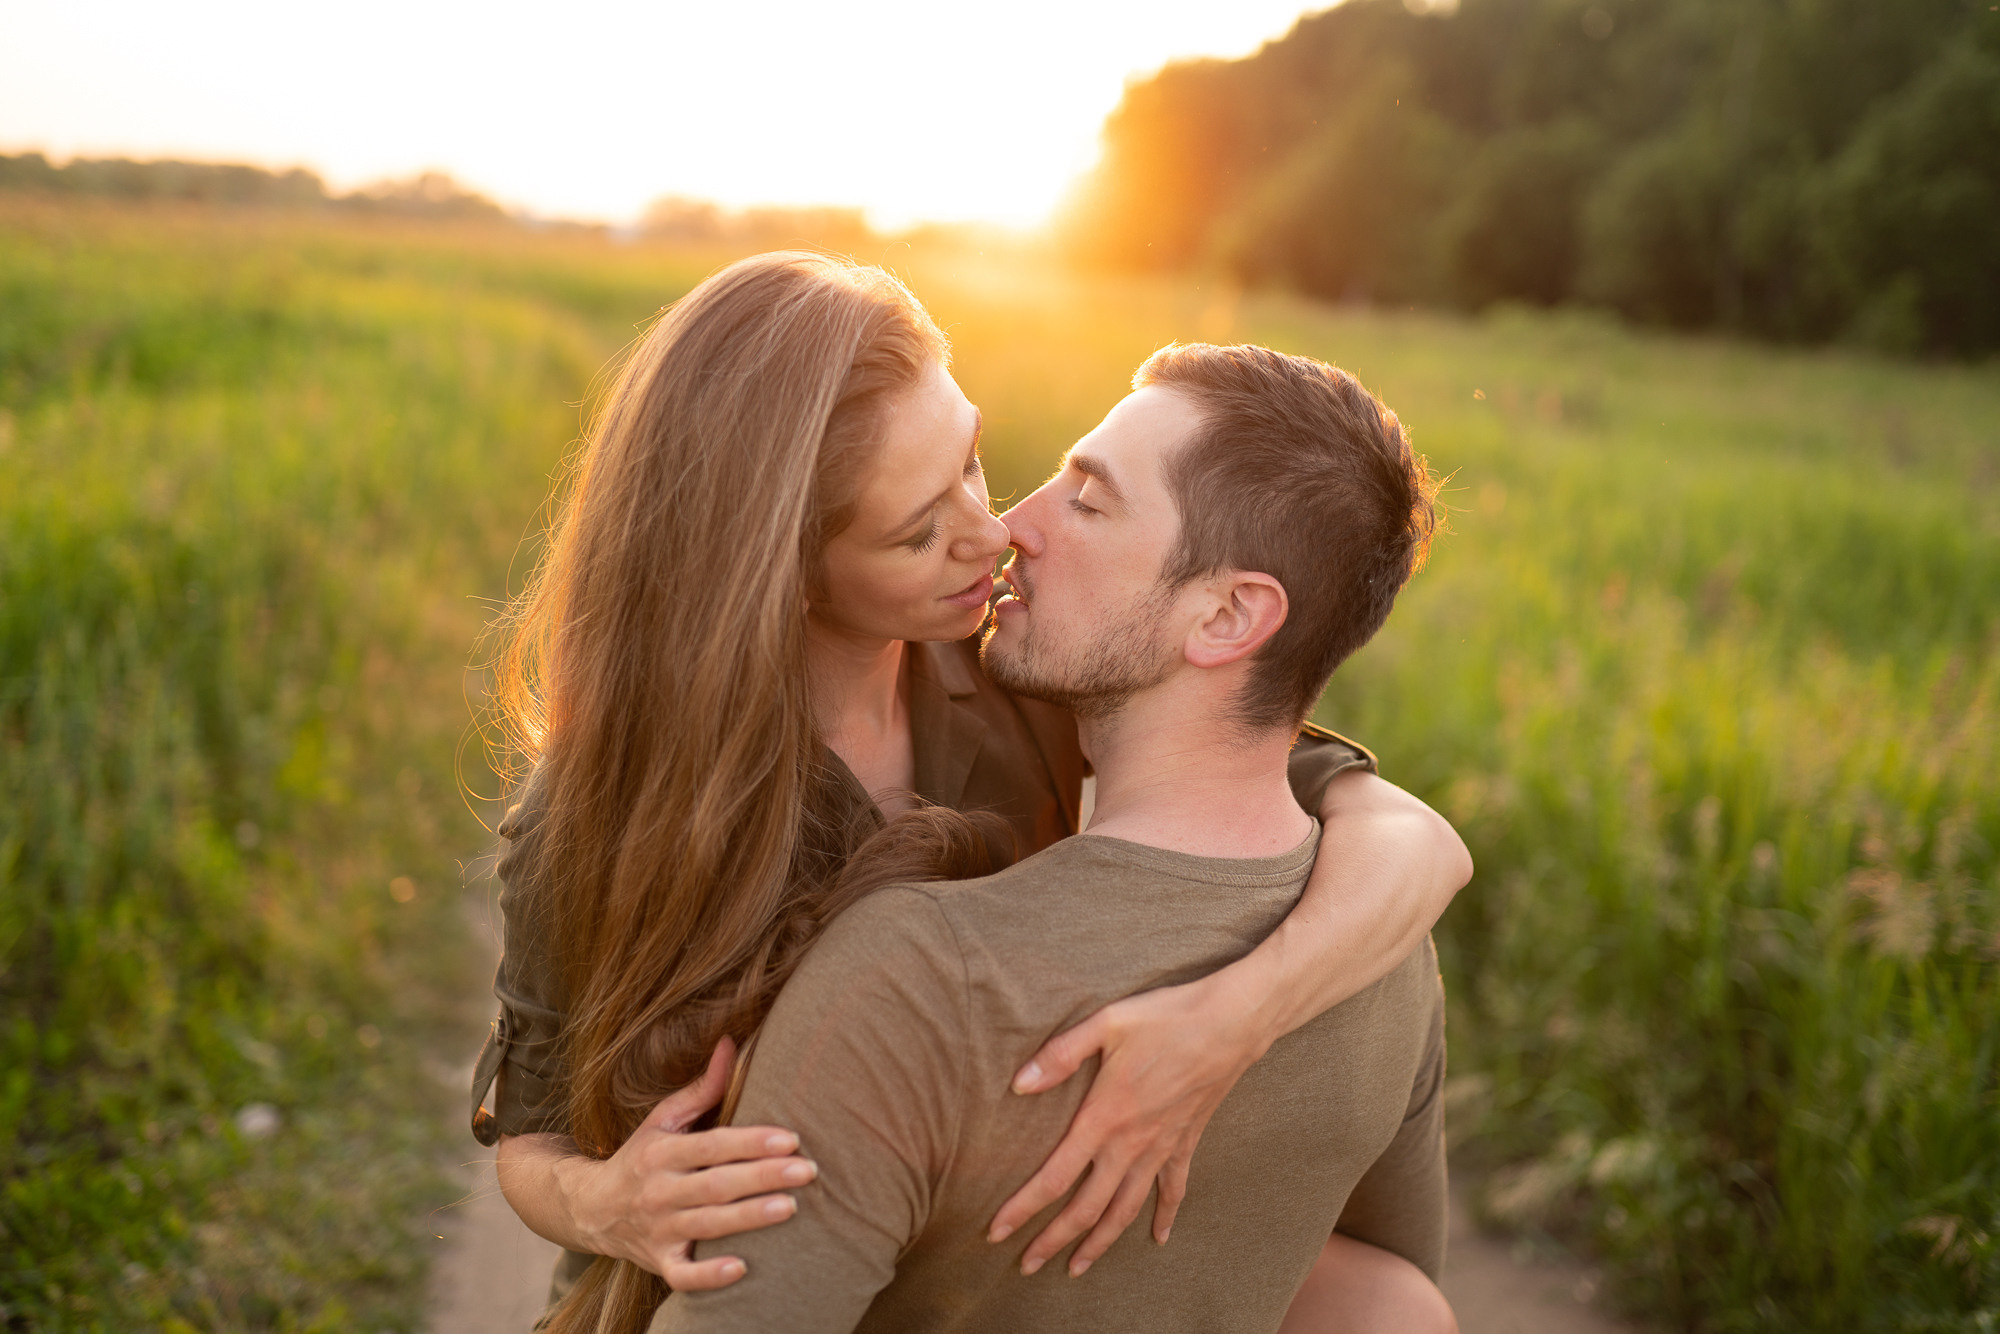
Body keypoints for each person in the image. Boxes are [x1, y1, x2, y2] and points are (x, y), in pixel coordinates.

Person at [471, 254, 1471, 1333]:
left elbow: (1381, 824)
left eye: (974, 463)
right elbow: (529, 1131)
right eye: (915, 530)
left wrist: (1230, 1015)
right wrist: (600, 1200)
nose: (990, 534)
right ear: (783, 570)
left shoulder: (1020, 671)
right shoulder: (607, 804)